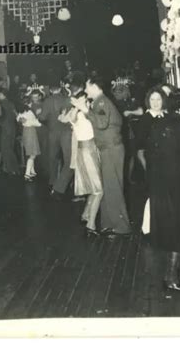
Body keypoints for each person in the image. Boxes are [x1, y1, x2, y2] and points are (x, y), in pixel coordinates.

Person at [137, 87, 180, 292]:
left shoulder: (162, 124)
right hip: (177, 185)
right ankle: (171, 277)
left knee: (175, 228)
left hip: (163, 184)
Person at [85, 75, 131, 237]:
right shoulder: (99, 101)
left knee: (113, 187)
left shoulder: (102, 101)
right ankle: (110, 223)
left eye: (87, 86)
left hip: (111, 149)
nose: (85, 90)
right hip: (108, 148)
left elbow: (101, 123)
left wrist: (86, 111)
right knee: (109, 186)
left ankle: (121, 227)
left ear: (94, 86)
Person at [61, 95, 103, 235]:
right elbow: (69, 119)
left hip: (88, 150)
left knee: (94, 187)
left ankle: (85, 215)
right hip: (87, 151)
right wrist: (77, 106)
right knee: (98, 190)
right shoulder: (80, 115)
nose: (89, 103)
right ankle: (91, 225)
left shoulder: (84, 113)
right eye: (86, 101)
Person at [50, 71, 86, 201]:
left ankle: (66, 189)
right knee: (72, 163)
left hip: (70, 135)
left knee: (72, 163)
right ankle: (61, 189)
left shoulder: (70, 100)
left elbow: (62, 117)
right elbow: (64, 118)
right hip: (71, 135)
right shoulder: (74, 100)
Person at [38, 80, 72, 188]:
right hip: (66, 132)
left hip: (53, 132)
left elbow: (42, 117)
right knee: (67, 159)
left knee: (53, 157)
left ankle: (53, 181)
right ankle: (66, 182)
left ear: (51, 90)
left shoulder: (47, 101)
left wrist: (42, 117)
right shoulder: (66, 99)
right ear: (60, 88)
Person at [0, 87, 20, 175]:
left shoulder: (1, 104)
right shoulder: (11, 103)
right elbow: (16, 115)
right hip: (12, 128)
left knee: (5, 149)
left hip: (5, 129)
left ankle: (12, 169)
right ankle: (13, 168)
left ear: (2, 94)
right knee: (10, 148)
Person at [16, 104, 41, 182]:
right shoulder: (30, 112)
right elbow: (38, 123)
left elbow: (18, 119)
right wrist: (38, 115)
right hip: (31, 132)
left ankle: (32, 172)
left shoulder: (20, 113)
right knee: (33, 154)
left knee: (31, 152)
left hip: (25, 132)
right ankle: (27, 174)